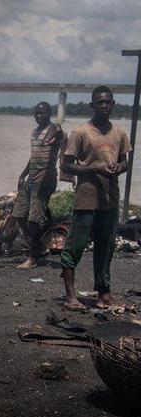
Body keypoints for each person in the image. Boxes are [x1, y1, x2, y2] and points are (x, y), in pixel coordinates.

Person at [59, 85, 131, 310]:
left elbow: (125, 161)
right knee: (76, 246)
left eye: (107, 102)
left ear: (113, 104)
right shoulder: (81, 132)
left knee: (106, 247)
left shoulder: (119, 132)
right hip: (87, 198)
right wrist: (94, 168)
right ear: (92, 105)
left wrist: (120, 167)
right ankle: (70, 296)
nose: (104, 106)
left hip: (110, 199)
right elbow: (66, 164)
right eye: (99, 102)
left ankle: (104, 294)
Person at [13, 102, 66, 269]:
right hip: (32, 178)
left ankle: (32, 257)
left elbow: (58, 132)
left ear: (49, 113)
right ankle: (38, 247)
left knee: (33, 220)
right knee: (19, 215)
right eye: (36, 113)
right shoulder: (34, 132)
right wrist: (23, 175)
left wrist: (55, 135)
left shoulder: (54, 129)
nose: (39, 116)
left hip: (45, 179)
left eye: (42, 113)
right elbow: (34, 156)